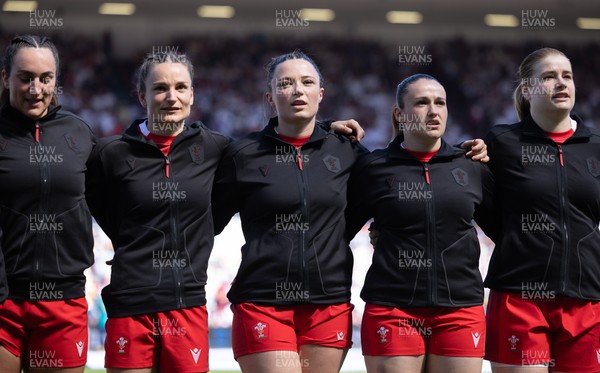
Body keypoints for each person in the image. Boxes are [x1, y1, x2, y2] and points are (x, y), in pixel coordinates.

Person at [84, 50, 365, 373]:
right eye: (160, 88)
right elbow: (89, 200)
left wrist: (326, 129)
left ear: (192, 94)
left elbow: (293, 142)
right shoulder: (113, 152)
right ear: (141, 95)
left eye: (181, 87)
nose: (171, 97)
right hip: (147, 300)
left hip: (203, 304)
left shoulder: (219, 147)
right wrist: (125, 240)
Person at [211, 51, 490, 373]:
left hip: (329, 301)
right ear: (270, 97)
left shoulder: (347, 150)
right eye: (286, 84)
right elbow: (207, 221)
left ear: (321, 94)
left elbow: (393, 188)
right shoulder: (242, 154)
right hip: (263, 299)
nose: (298, 90)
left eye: (307, 82)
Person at [345, 74, 495, 373]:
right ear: (399, 114)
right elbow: (335, 229)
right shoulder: (373, 168)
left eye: (440, 102)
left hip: (461, 308)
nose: (433, 110)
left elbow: (506, 229)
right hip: (392, 307)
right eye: (422, 103)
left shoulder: (471, 166)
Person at [483, 47, 600, 373]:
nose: (561, 83)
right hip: (520, 299)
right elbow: (479, 205)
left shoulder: (596, 146)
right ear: (527, 89)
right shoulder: (501, 142)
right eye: (549, 77)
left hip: (585, 300)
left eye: (567, 76)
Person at [0, 35, 96, 373]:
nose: (36, 88)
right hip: (3, 302)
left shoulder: (80, 134)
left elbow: (111, 203)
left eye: (46, 78)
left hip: (63, 302)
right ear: (5, 78)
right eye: (25, 77)